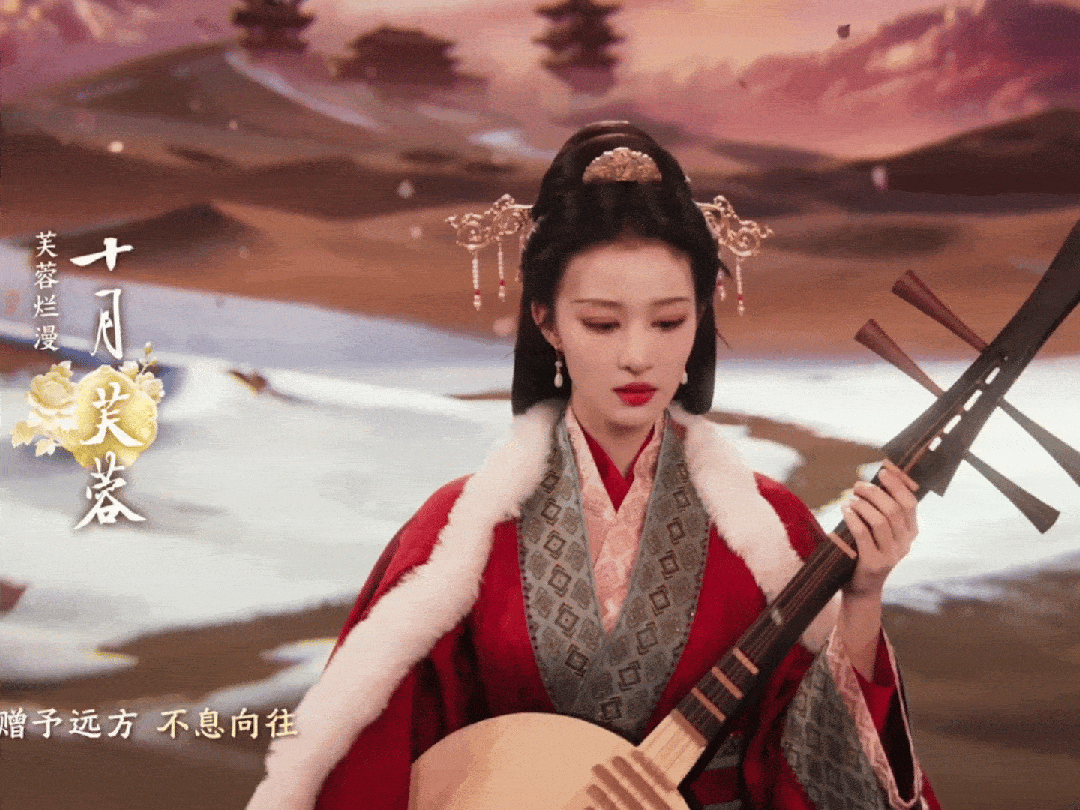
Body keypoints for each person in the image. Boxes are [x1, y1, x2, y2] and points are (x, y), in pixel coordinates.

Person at [246, 122, 941, 810]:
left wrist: (861, 598)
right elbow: (364, 763)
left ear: (700, 317)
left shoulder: (769, 531)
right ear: (547, 321)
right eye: (602, 324)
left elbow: (821, 770)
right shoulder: (458, 536)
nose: (637, 356)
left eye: (668, 322)